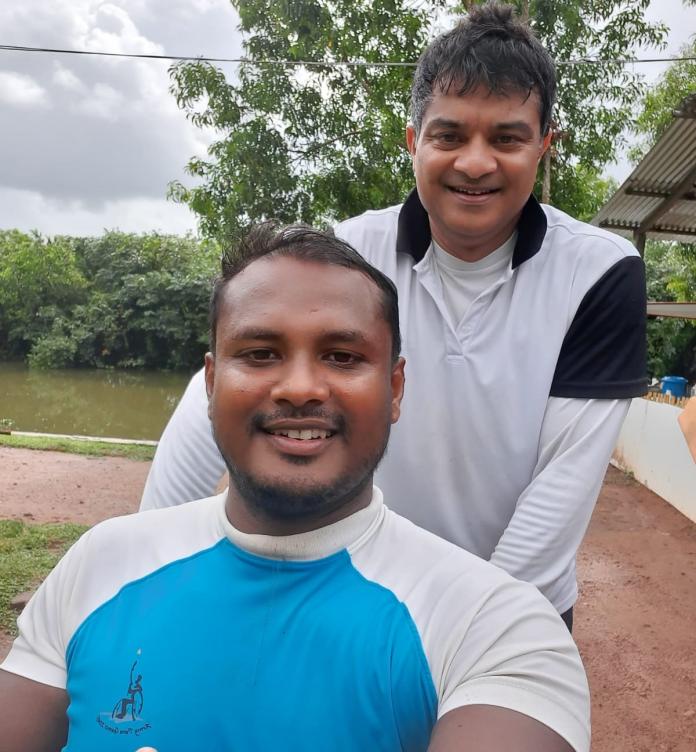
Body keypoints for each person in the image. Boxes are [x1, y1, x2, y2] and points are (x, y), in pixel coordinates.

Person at [140, 3, 647, 631]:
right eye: (450, 135)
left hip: (519, 605)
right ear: (415, 142)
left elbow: (563, 483)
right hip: (357, 590)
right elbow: (218, 390)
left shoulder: (599, 274)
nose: (476, 162)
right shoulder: (350, 255)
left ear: (544, 146)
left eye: (508, 138)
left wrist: (478, 632)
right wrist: (151, 563)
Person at [1, 224, 589, 751]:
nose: (301, 387)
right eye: (259, 354)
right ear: (210, 383)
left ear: (396, 388)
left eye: (341, 355)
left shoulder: (494, 627)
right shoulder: (101, 563)